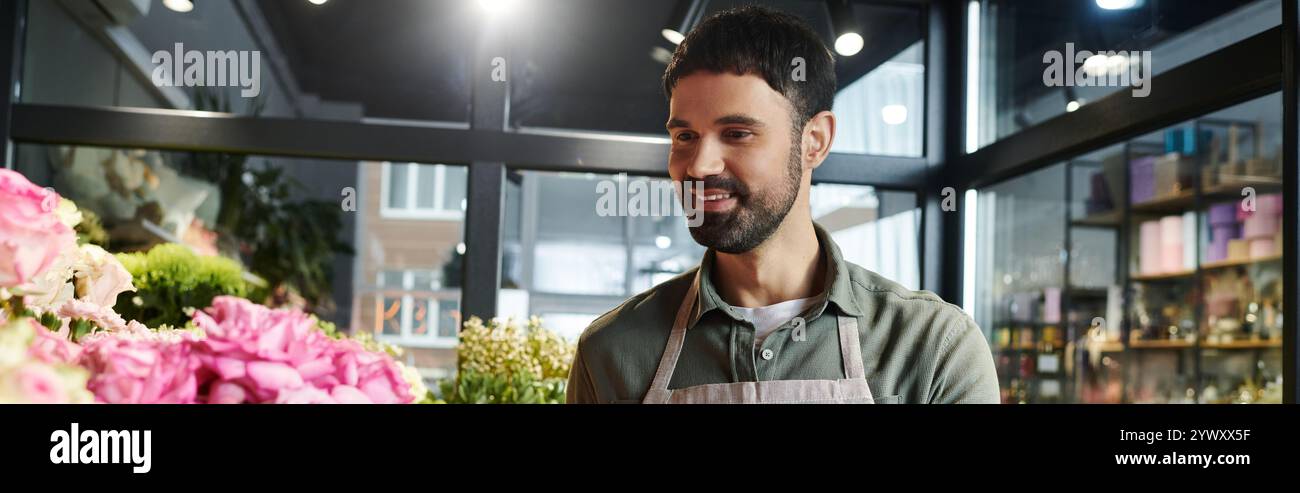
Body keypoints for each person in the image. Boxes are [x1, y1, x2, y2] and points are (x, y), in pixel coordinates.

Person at [566, 5, 998, 404]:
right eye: (684, 137)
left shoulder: (931, 347)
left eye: (736, 133)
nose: (698, 166)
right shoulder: (612, 349)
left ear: (815, 141)